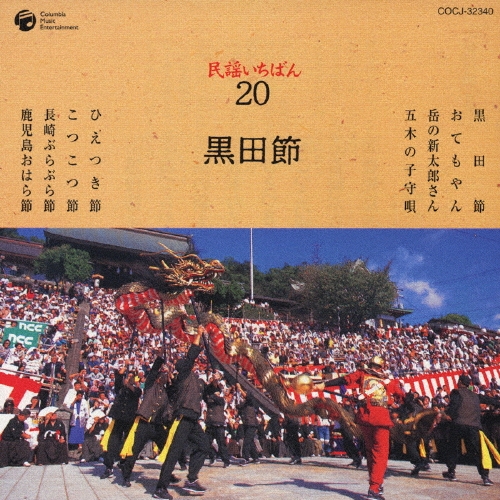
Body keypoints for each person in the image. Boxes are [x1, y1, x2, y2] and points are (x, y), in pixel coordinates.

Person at [317, 355, 405, 500]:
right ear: (382, 367)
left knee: (371, 452)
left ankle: (375, 483)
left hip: (365, 418)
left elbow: (344, 380)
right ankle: (374, 487)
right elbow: (401, 396)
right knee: (380, 454)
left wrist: (325, 385)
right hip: (381, 419)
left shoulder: (362, 374)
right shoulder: (389, 381)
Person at [153, 325, 210, 500]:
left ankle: (191, 478)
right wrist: (198, 335)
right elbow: (191, 356)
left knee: (204, 445)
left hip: (192, 418)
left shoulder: (195, 379)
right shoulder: (183, 374)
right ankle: (160, 488)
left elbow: (207, 394)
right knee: (174, 452)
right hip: (182, 416)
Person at [119, 357, 175, 488]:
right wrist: (161, 359)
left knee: (167, 450)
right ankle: (126, 475)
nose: (164, 378)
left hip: (157, 425)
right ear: (158, 378)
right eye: (162, 376)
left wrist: (170, 373)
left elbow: (174, 387)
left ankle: (167, 474)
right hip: (144, 423)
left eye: (165, 376)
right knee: (135, 450)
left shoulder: (166, 392)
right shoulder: (150, 385)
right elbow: (154, 370)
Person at [441, 374, 496, 486]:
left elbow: (454, 406)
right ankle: (485, 477)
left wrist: (449, 414)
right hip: (473, 426)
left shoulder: (456, 392)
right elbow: (491, 400)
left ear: (460, 382)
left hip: (458, 424)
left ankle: (451, 472)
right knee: (477, 451)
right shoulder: (476, 395)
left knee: (453, 448)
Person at [100, 364, 142, 481]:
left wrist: (130, 384)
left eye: (131, 377)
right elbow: (118, 381)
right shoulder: (121, 388)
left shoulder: (137, 390)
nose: (129, 378)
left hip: (129, 419)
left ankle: (124, 464)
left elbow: (136, 393)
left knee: (128, 443)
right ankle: (109, 466)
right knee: (112, 441)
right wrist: (122, 371)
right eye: (128, 377)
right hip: (118, 417)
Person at [204, 371, 231, 468]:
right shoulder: (210, 391)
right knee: (206, 442)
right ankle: (212, 457)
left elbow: (217, 390)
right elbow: (209, 390)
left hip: (218, 422)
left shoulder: (221, 395)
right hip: (210, 421)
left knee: (221, 443)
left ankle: (226, 460)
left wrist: (214, 395)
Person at [236, 383, 261, 465]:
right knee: (250, 441)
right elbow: (239, 406)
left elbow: (247, 397)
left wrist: (240, 389)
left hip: (251, 424)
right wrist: (237, 395)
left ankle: (245, 458)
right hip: (246, 423)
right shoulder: (245, 403)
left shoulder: (251, 400)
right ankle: (255, 457)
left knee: (246, 441)